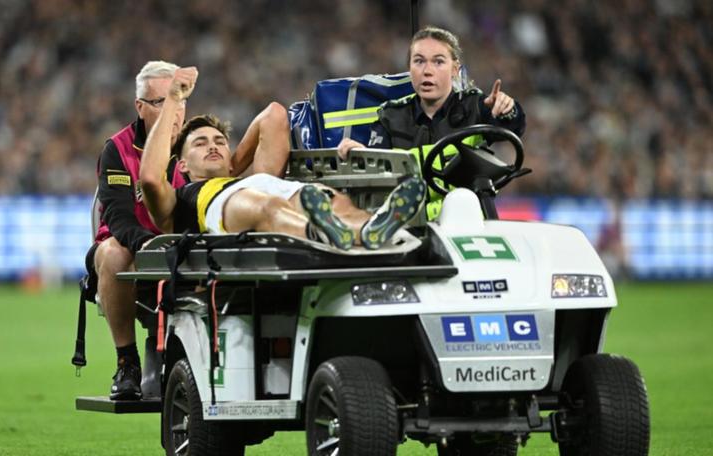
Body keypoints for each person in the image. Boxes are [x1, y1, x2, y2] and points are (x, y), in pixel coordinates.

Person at [87, 60, 291, 400]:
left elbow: (246, 152)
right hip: (140, 251)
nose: (175, 109)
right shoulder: (118, 149)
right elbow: (119, 218)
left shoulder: (197, 147)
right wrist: (155, 247)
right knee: (112, 252)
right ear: (140, 107)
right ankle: (127, 363)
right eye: (163, 101)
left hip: (191, 248)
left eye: (180, 100)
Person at [139, 79, 426, 252]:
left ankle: (366, 230)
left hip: (254, 187)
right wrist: (173, 102)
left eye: (219, 142)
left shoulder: (256, 176)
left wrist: (232, 167)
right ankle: (322, 234)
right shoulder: (178, 201)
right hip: (222, 204)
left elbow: (273, 114)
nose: (213, 145)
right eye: (200, 143)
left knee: (331, 200)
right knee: (267, 207)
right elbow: (151, 178)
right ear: (183, 165)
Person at [337, 26, 526, 220]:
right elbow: (377, 171)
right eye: (419, 61)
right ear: (409, 68)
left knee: (461, 198)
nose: (427, 71)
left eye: (438, 62)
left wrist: (508, 109)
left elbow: (512, 127)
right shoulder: (390, 116)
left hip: (465, 223)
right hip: (408, 226)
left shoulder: (474, 106)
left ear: (455, 69)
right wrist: (359, 155)